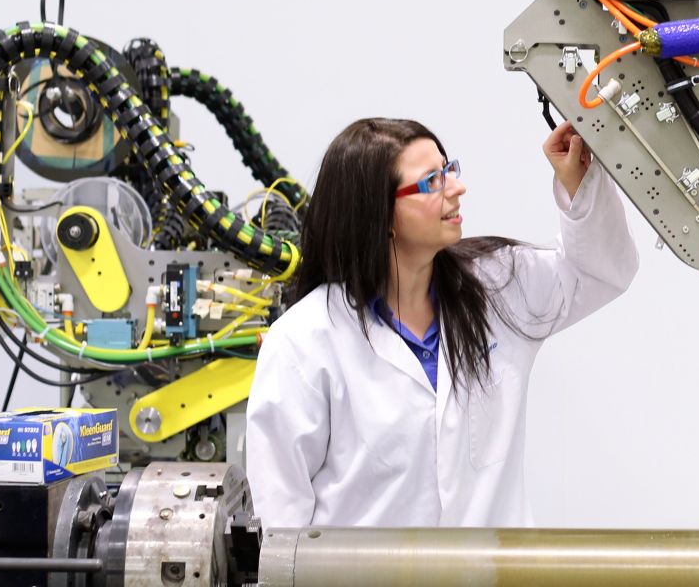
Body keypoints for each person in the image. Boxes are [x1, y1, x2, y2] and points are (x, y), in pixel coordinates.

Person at [245, 118, 636, 527]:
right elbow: (280, 522)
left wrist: (581, 181)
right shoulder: (304, 342)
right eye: (433, 181)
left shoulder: (498, 287)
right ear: (381, 216)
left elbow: (600, 271)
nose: (456, 187)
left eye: (450, 170)